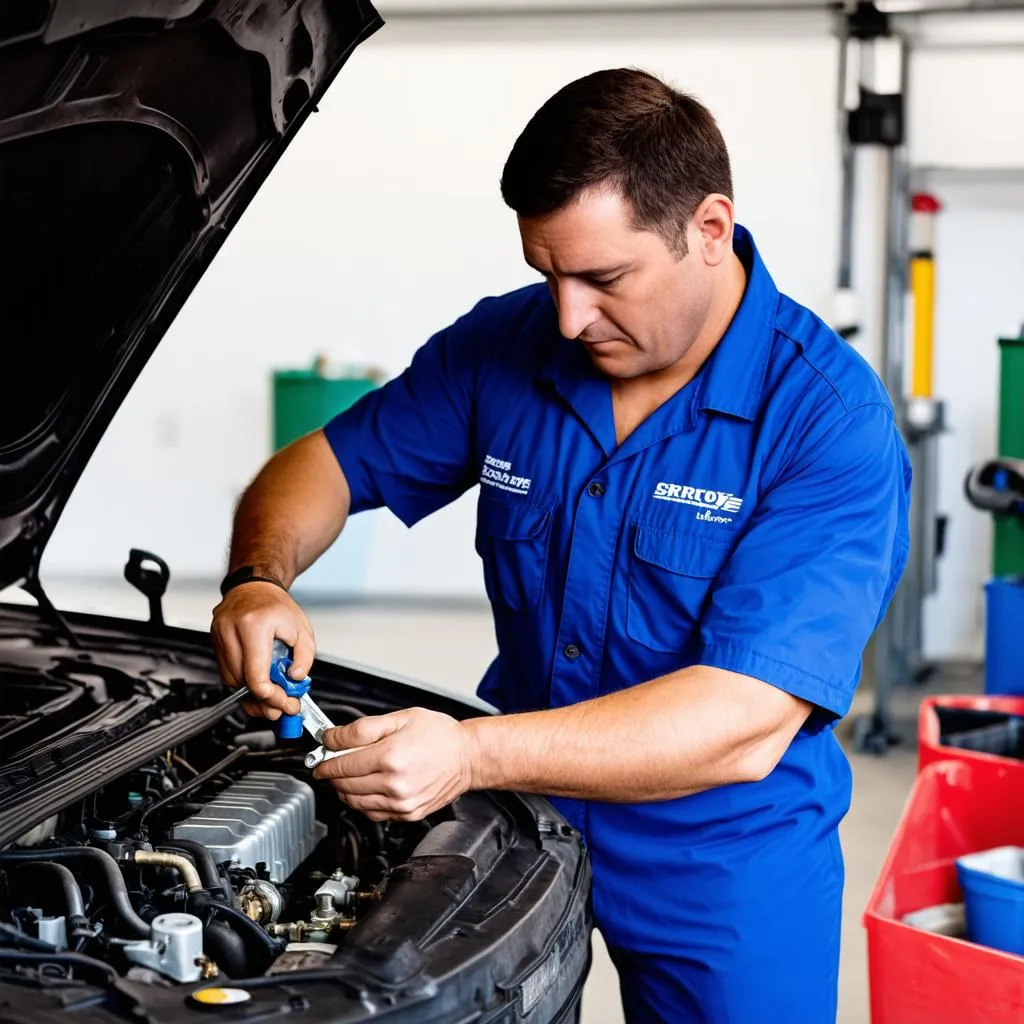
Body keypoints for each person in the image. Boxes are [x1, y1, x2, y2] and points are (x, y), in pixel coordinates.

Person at [211, 68, 911, 1024]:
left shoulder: (826, 421)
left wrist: (468, 755)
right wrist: (259, 580)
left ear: (709, 229)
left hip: (722, 855)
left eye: (604, 279)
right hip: (519, 826)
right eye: (550, 276)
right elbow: (324, 466)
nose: (570, 318)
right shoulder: (507, 344)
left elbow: (743, 717)